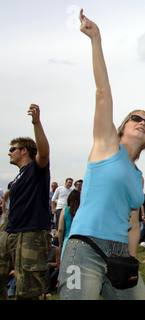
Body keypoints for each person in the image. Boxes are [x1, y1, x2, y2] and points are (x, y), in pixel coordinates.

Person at [58, 10, 145, 300]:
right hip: (84, 249)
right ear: (123, 126)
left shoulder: (138, 176)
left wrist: (132, 259)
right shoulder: (107, 144)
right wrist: (95, 39)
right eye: (137, 118)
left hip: (121, 254)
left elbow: (134, 224)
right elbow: (102, 92)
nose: (143, 123)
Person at [0, 104, 51, 300]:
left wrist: (36, 123)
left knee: (27, 290)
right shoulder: (18, 177)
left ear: (24, 151)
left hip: (30, 234)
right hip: (9, 232)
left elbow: (44, 153)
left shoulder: (36, 169)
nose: (9, 153)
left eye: (12, 149)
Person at [57, 189, 80, 256]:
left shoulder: (65, 210)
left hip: (68, 240)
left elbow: (60, 229)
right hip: (81, 241)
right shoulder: (82, 210)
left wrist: (60, 243)